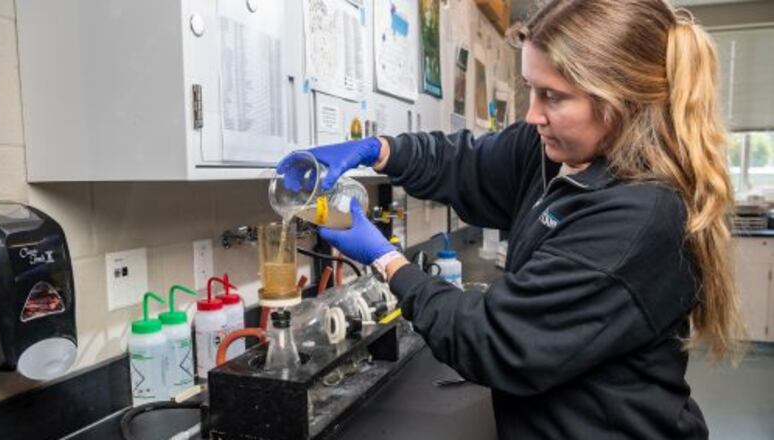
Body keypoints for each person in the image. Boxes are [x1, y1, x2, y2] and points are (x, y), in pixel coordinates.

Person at [280, 0, 745, 438]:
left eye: (553, 96)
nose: (532, 114)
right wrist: (379, 151)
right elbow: (463, 163)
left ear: (621, 98)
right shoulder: (555, 151)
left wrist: (386, 260)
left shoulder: (640, 216)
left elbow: (493, 341)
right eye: (530, 89)